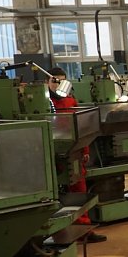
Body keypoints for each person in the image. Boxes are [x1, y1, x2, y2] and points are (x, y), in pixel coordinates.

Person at [48, 67, 107, 243]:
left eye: (62, 81)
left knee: (78, 190)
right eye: (55, 81)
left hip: (73, 151)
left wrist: (85, 150)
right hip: (50, 153)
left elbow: (80, 128)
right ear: (47, 82)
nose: (58, 85)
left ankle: (84, 230)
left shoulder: (70, 102)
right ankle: (56, 232)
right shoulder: (45, 104)